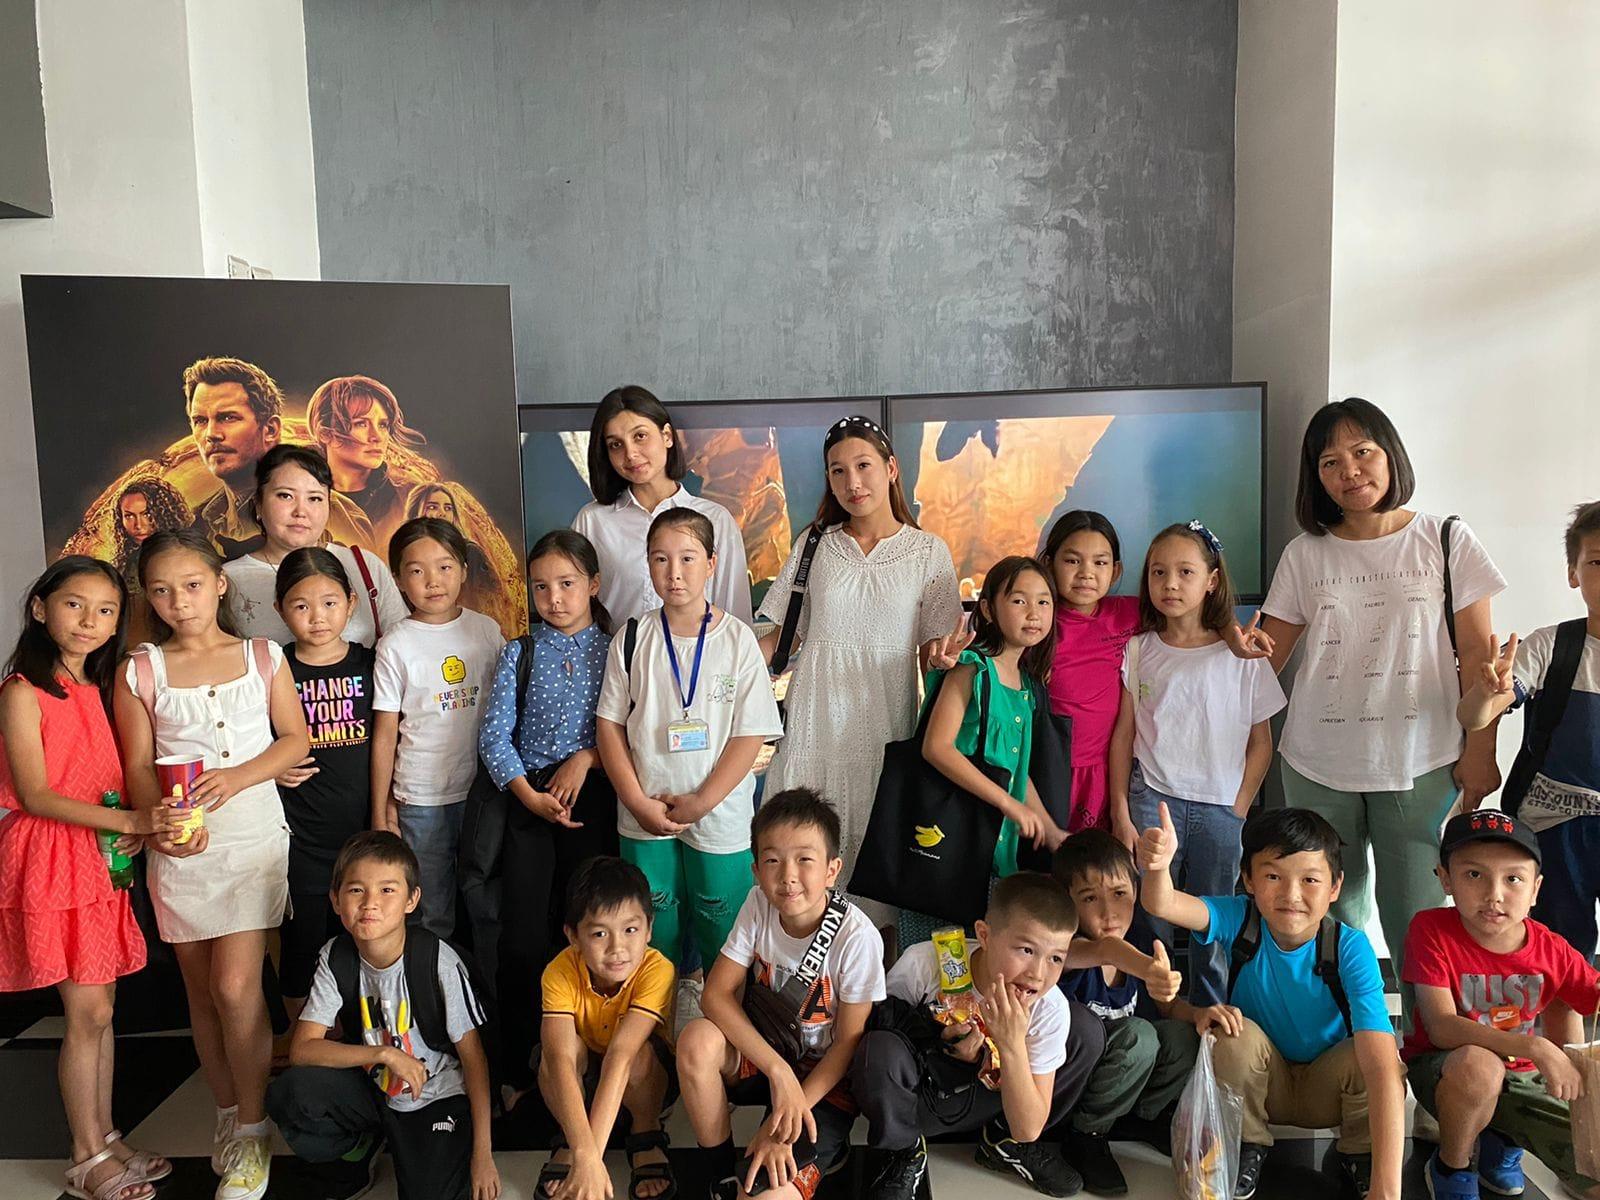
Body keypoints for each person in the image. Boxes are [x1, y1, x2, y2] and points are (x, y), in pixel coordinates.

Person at [1248, 398, 1505, 1015]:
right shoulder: (1305, 554)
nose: (1350, 471)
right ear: (1316, 477)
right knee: (1327, 917)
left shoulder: (1444, 539)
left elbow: (1479, 659)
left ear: (1390, 454)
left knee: (1418, 918)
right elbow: (1263, 662)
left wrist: (1481, 753)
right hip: (1316, 761)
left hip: (1419, 760)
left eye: (1362, 452)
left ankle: (1427, 1046)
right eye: (1330, 462)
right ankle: (1338, 1038)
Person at [113, 529, 311, 1200]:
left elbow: (294, 740)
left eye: (193, 585)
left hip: (253, 839)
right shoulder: (140, 670)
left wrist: (237, 777)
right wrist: (161, 826)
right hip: (180, 847)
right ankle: (228, 1109)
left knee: (235, 987)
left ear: (219, 585)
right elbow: (138, 765)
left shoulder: (262, 656)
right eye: (162, 590)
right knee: (201, 993)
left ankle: (253, 1132)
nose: (180, 601)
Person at [0, 558, 179, 1200]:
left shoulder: (99, 687)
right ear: (40, 608)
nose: (90, 621)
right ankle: (84, 1157)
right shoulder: (23, 690)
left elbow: (107, 777)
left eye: (106, 610)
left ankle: (105, 1137)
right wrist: (131, 818)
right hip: (51, 858)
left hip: (99, 857)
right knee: (85, 1012)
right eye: (74, 604)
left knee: (102, 1011)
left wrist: (126, 823)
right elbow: (36, 793)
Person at [754, 415, 964, 926]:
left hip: (883, 731)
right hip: (814, 728)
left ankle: (871, 977)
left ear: (891, 468)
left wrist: (943, 658)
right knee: (799, 861)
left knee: (875, 874)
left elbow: (935, 651)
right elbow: (783, 637)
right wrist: (708, 651)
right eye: (838, 471)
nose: (853, 482)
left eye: (864, 465)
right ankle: (792, 972)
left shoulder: (927, 552)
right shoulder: (814, 545)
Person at [1137, 805, 1406, 1200]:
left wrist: (1388, 1189)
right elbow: (1164, 905)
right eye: (1273, 876)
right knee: (1231, 1033)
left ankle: (1360, 1153)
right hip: (1263, 1086)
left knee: (1379, 1059)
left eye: (1310, 879)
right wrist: (1159, 868)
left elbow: (1381, 1069)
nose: (1291, 895)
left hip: (1328, 1089)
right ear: (1248, 879)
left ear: (1335, 887)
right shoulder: (1240, 919)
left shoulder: (1349, 947)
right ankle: (1248, 1143)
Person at [596, 508, 783, 970]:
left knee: (724, 930)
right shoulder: (632, 638)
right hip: (644, 813)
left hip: (720, 816)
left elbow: (750, 734)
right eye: (660, 559)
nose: (674, 573)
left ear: (712, 563)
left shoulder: (737, 640)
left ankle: (721, 1013)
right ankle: (658, 1013)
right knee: (652, 932)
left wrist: (701, 802)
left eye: (687, 558)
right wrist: (637, 802)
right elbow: (609, 727)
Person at [267, 832, 500, 1200]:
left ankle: (442, 1139)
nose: (370, 903)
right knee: (291, 1093)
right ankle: (358, 1147)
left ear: (412, 900)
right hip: (374, 1085)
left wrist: (483, 1154)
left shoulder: (437, 961)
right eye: (356, 890)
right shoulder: (336, 956)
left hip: (435, 1093)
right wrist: (384, 1054)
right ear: (336, 900)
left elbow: (474, 1060)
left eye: (387, 890)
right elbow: (302, 1049)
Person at [679, 788, 886, 1200]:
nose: (788, 876)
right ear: (756, 869)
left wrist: (783, 1121)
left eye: (804, 860)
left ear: (832, 869)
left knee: (766, 1196)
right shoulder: (758, 903)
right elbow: (715, 995)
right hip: (767, 1057)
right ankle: (720, 1175)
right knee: (696, 1040)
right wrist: (778, 1072)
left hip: (825, 1083)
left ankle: (822, 1150)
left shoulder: (856, 937)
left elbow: (847, 1043)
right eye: (773, 861)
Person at [1109, 522, 1285, 1003]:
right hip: (1153, 801)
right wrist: (1122, 810)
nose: (1170, 584)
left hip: (1220, 808)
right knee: (1151, 918)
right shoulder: (1140, 649)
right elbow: (1124, 734)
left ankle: (1212, 1015)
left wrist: (1238, 807)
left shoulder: (1243, 654)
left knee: (1214, 921)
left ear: (1212, 580)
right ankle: (1155, 1015)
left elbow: (1261, 742)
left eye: (1185, 572)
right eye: (1158, 572)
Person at [854, 871, 1105, 1200]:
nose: (1037, 973)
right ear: (984, 935)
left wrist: (1011, 1045)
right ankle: (904, 1151)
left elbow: (1028, 1128)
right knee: (878, 1048)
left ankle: (1001, 1142)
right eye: (1026, 950)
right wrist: (936, 1040)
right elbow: (877, 1025)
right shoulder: (925, 963)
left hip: (997, 1104)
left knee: (1085, 1029)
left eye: (1056, 958)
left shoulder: (1048, 1007)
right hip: (922, 1102)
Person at [479, 529, 618, 1099]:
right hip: (529, 802)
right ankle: (519, 1067)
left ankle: (598, 1059)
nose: (554, 598)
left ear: (593, 584)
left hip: (597, 798)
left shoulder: (617, 650)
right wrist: (529, 796)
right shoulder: (521, 651)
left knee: (593, 930)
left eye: (566, 584)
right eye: (541, 587)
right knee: (523, 938)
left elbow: (632, 729)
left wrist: (586, 759)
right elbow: (494, 736)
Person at [1402, 810, 1600, 1199]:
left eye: (1513, 879)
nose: (1494, 894)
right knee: (1480, 1068)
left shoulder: (1552, 948)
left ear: (1535, 889)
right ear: (1445, 878)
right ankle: (1451, 1167)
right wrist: (1534, 1046)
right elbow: (1441, 1026)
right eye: (1474, 875)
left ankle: (1501, 1142)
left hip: (1525, 1079)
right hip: (1447, 1070)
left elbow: (1591, 996)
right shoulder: (1430, 930)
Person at [1457, 499, 1600, 961]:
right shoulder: (1550, 647)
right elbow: (1475, 717)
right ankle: (1560, 1015)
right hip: (1554, 828)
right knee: (1558, 950)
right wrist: (1486, 694)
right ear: (1573, 572)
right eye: (1597, 562)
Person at [900, 555, 1065, 947]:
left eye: (1043, 601)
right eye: (1019, 600)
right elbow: (936, 748)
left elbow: (1016, 771)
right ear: (989, 609)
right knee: (936, 960)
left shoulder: (1028, 687)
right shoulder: (972, 669)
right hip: (949, 847)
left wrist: (1050, 828)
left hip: (995, 854)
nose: (1034, 612)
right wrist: (1009, 805)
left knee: (983, 960)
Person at [372, 518, 505, 939]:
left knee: (486, 901)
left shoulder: (486, 630)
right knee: (430, 907)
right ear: (398, 579)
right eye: (416, 571)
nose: (433, 581)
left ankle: (483, 978)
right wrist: (380, 806)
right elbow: (386, 733)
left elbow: (506, 710)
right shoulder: (395, 643)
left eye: (445, 567)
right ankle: (434, 976)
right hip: (421, 796)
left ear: (463, 570)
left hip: (483, 790)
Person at [1053, 830, 1203, 1196]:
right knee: (1139, 1036)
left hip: (1122, 1077)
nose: (1109, 912)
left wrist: (1201, 1016)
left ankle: (1143, 1118)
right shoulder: (1065, 947)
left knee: (1182, 1036)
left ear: (1136, 892)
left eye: (1120, 894)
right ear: (1067, 902)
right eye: (1090, 898)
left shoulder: (1142, 938)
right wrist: (1149, 969)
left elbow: (1169, 1008)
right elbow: (1104, 949)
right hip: (1070, 1083)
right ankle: (1086, 1134)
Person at [272, 548, 377, 1023]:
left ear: (351, 603)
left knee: (365, 938)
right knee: (302, 945)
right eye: (301, 606)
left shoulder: (370, 664)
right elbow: (246, 740)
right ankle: (304, 1042)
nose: (317, 617)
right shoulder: (273, 669)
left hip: (361, 833)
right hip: (299, 838)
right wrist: (271, 768)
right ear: (280, 609)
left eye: (330, 603)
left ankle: (362, 1037)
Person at [535, 856, 679, 1200]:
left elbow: (620, 1056)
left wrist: (590, 1161)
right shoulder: (558, 971)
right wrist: (584, 1154)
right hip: (585, 1077)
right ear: (573, 936)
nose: (617, 948)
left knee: (637, 1054)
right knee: (553, 1055)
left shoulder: (658, 969)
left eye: (630, 930)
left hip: (641, 1079)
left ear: (649, 928)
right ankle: (571, 1137)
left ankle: (645, 1133)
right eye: (600, 933)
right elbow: (561, 1060)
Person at [573, 385, 753, 625]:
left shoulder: (716, 520)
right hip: (617, 649)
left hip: (701, 650)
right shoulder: (592, 521)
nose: (630, 454)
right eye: (616, 444)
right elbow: (574, 610)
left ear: (667, 436)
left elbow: (736, 620)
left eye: (640, 436)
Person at [222, 445, 407, 647]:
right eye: (285, 496)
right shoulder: (227, 580)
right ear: (259, 504)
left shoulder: (364, 566)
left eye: (315, 498)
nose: (301, 511)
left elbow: (404, 647)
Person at [1041, 510, 1141, 834]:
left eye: (1100, 562)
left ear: (1115, 571)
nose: (1086, 573)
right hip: (1049, 771)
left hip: (1110, 772)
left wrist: (1231, 634)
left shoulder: (1129, 614)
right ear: (1049, 564)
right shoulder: (1037, 622)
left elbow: (1189, 614)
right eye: (1072, 561)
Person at [308, 374, 427, 549]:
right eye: (361, 424)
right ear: (325, 433)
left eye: (383, 425)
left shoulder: (408, 496)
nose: (377, 436)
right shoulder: (297, 494)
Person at [183, 356, 285, 558]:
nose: (211, 434)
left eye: (228, 417)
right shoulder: (197, 525)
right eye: (200, 421)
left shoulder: (324, 511)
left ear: (270, 430)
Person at [404, 482, 498, 606]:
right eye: (432, 507)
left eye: (448, 508)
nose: (442, 513)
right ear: (415, 514)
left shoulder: (470, 552)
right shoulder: (405, 555)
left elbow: (485, 603)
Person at [112, 478, 197, 591]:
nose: (138, 525)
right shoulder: (125, 567)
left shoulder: (193, 553)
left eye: (147, 514)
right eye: (129, 516)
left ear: (164, 513)